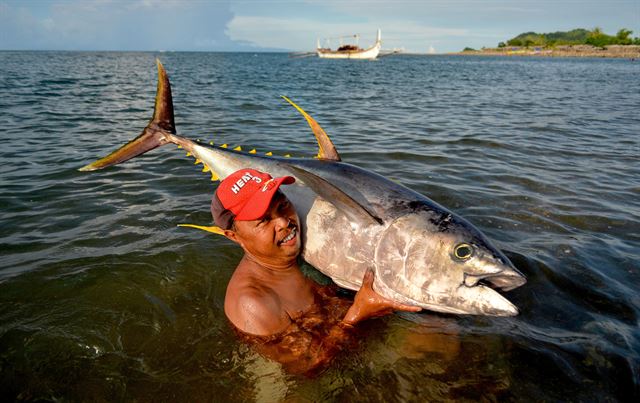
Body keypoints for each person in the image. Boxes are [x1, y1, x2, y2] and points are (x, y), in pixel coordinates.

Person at [211, 168, 421, 374]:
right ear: (233, 236)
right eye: (264, 221)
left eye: (283, 205)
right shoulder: (253, 303)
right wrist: (357, 315)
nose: (284, 222)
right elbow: (305, 366)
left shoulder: (293, 255)